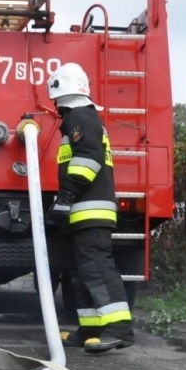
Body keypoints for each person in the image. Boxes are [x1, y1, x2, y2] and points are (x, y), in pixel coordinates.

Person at [47, 62, 134, 354]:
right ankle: (90, 328)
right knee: (81, 273)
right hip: (84, 212)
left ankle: (119, 328)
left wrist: (66, 198)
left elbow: (89, 158)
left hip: (89, 211)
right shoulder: (83, 117)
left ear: (60, 94)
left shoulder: (80, 117)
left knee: (96, 268)